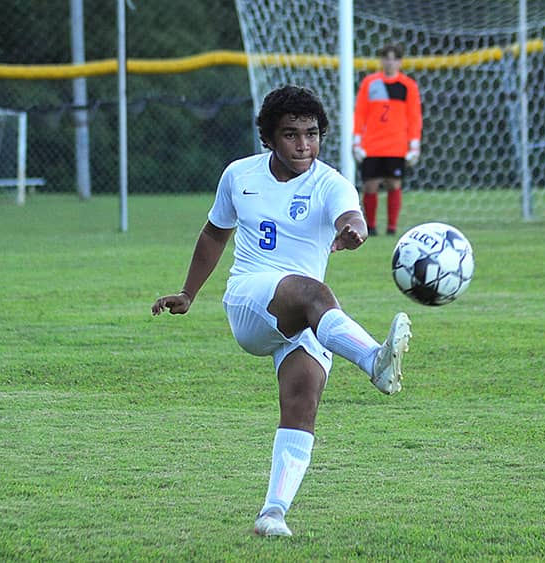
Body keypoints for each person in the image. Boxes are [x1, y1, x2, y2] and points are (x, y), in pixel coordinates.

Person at [151, 85, 413, 537]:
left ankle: (272, 512)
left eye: (311, 134)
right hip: (251, 300)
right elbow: (215, 234)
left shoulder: (330, 182)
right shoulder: (239, 175)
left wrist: (353, 231)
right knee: (314, 291)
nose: (303, 145)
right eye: (290, 134)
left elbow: (352, 217)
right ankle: (373, 359)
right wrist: (189, 293)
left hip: (310, 319)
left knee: (301, 402)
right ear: (268, 138)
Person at [352, 42, 423, 236]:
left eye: (394, 59)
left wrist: (414, 144)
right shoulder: (370, 83)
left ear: (400, 62)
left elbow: (414, 116)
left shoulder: (408, 86)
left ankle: (392, 227)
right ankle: (371, 226)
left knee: (394, 184)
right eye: (387, 58)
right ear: (381, 61)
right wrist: (357, 140)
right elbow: (360, 113)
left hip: (396, 144)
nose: (390, 63)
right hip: (372, 144)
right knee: (370, 185)